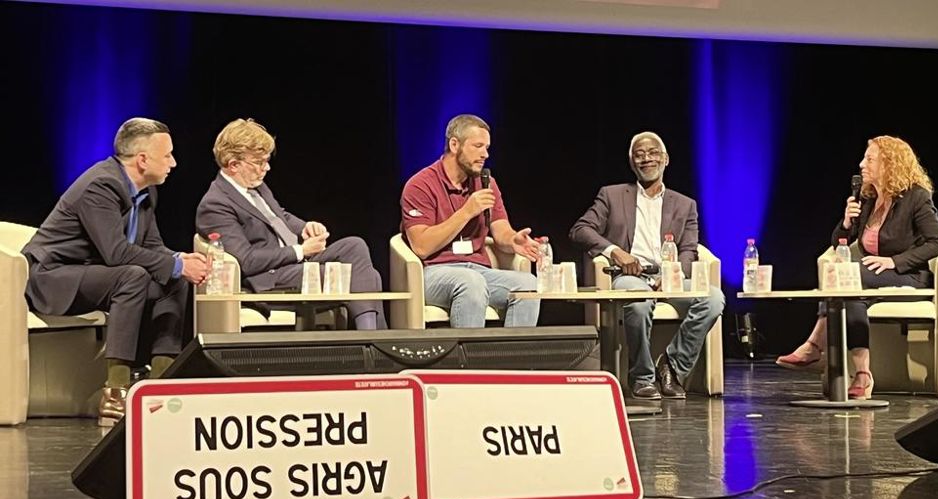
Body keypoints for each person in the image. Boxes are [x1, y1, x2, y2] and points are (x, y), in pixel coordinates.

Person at [21, 118, 209, 426]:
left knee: (175, 279)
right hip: (52, 277)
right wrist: (175, 264)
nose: (174, 163)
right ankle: (116, 391)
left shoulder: (146, 192)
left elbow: (152, 246)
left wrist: (181, 260)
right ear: (142, 159)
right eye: (168, 155)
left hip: (92, 275)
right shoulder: (101, 185)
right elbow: (116, 252)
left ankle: (159, 384)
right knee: (133, 275)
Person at [776, 135, 938, 399]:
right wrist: (846, 223)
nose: (861, 164)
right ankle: (863, 375)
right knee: (850, 289)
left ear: (890, 163)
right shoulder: (867, 199)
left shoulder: (916, 197)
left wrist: (894, 261)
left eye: (869, 159)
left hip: (910, 276)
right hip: (870, 278)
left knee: (851, 280)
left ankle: (813, 347)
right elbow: (840, 244)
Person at [569, 131, 726, 400]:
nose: (646, 159)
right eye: (639, 155)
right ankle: (641, 376)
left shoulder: (685, 204)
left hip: (668, 276)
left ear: (665, 159)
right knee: (639, 300)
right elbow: (580, 230)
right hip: (630, 275)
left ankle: (671, 367)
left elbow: (689, 249)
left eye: (653, 153)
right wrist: (616, 252)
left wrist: (674, 273)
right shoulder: (612, 195)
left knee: (713, 298)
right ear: (632, 163)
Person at [196, 118, 386, 329]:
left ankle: (371, 336)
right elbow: (246, 260)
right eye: (259, 162)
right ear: (233, 165)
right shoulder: (215, 204)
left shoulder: (256, 187)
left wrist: (305, 227)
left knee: (355, 245)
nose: (266, 168)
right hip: (269, 278)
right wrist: (301, 251)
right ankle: (372, 339)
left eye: (267, 161)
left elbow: (279, 217)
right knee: (364, 276)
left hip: (291, 265)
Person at [400, 114, 540, 328]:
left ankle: (512, 358)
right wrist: (467, 211)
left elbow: (501, 229)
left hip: (479, 269)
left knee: (528, 285)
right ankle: (468, 360)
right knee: (470, 282)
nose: (485, 154)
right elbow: (421, 246)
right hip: (434, 272)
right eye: (478, 146)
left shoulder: (486, 183)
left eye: (487, 147)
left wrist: (513, 240)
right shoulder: (420, 185)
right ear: (454, 144)